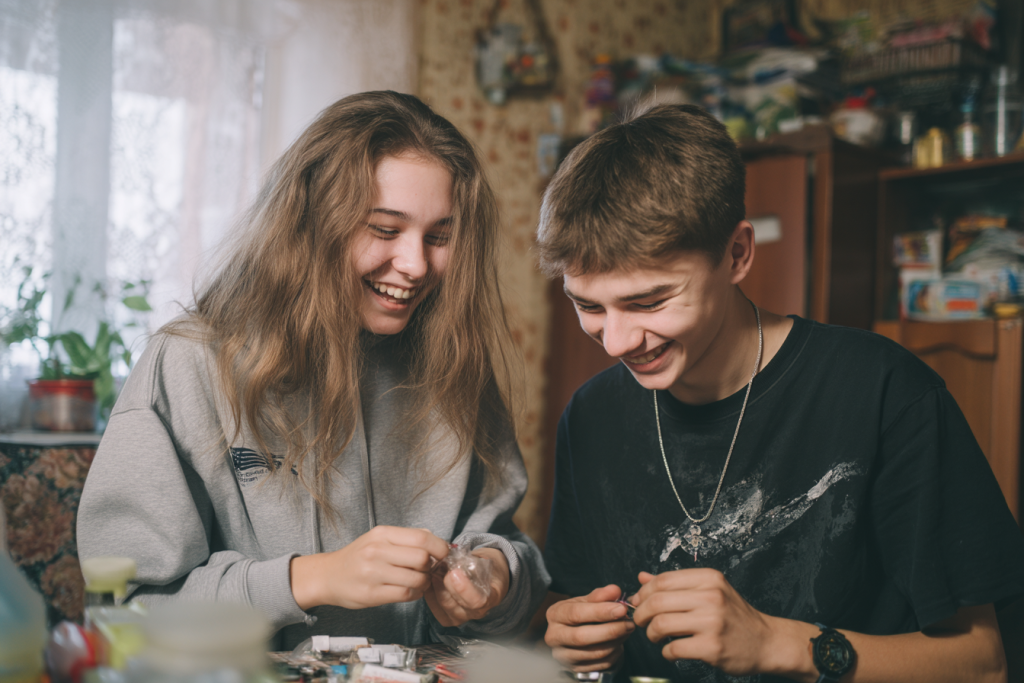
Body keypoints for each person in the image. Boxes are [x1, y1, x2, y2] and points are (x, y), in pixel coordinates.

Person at [538, 104, 1024, 682]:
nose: (615, 340)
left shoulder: (885, 393)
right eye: (588, 305)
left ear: (738, 254)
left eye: (650, 302)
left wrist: (778, 643)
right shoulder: (590, 416)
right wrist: (569, 638)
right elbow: (568, 612)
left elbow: (985, 664)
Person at [77, 91, 549, 649]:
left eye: (440, 237)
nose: (417, 265)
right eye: (385, 228)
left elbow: (502, 558)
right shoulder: (187, 362)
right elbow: (123, 617)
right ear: (311, 222)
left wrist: (496, 575)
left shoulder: (455, 364)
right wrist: (312, 579)